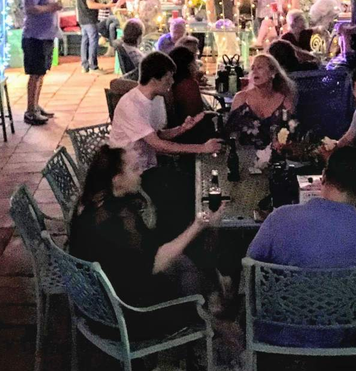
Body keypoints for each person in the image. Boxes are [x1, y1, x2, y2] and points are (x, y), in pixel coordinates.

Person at [69, 144, 226, 371]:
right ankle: (165, 370)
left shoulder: (90, 204)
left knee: (187, 269)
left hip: (95, 305)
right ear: (116, 179)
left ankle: (212, 316)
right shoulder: (117, 220)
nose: (141, 171)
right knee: (194, 294)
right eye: (134, 168)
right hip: (126, 317)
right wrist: (200, 224)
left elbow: (142, 254)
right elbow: (153, 263)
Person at [246, 145, 356, 348]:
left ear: (323, 176)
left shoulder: (279, 218)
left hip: (279, 331)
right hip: (343, 338)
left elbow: (251, 267)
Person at [108, 52, 223, 238]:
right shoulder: (132, 104)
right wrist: (203, 148)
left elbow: (157, 134)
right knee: (183, 191)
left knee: (190, 183)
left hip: (147, 165)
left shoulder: (151, 100)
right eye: (168, 79)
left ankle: (188, 237)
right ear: (155, 79)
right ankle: (170, 242)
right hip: (129, 171)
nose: (172, 83)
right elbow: (159, 145)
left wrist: (182, 128)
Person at [22, 0, 62, 126]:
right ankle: (30, 111)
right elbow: (30, 9)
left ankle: (36, 106)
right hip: (35, 37)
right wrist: (51, 7)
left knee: (42, 73)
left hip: (46, 36)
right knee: (35, 74)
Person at [226, 53, 296, 150]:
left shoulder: (285, 101)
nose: (254, 71)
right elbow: (228, 134)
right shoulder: (241, 98)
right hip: (244, 157)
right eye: (252, 68)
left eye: (259, 68)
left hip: (274, 157)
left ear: (273, 72)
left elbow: (292, 135)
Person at [167, 45, 218, 144]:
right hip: (191, 131)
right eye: (194, 61)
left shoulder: (172, 83)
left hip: (175, 127)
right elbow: (195, 112)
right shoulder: (189, 85)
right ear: (189, 65)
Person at [76, 0, 107, 73]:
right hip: (89, 18)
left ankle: (85, 66)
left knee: (85, 41)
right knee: (93, 41)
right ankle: (93, 66)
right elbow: (91, 4)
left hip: (82, 18)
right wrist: (106, 5)